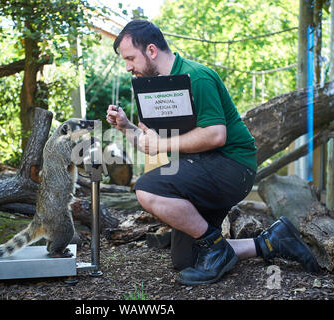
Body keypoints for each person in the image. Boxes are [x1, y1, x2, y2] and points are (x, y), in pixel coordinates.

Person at [106, 20, 320, 285]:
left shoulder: (197, 76)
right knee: (186, 260)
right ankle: (270, 241)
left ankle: (215, 248)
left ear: (151, 50)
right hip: (199, 170)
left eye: (130, 58)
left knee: (147, 188)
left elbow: (216, 135)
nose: (128, 66)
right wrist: (126, 127)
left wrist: (161, 144)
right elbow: (153, 143)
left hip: (231, 167)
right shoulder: (155, 88)